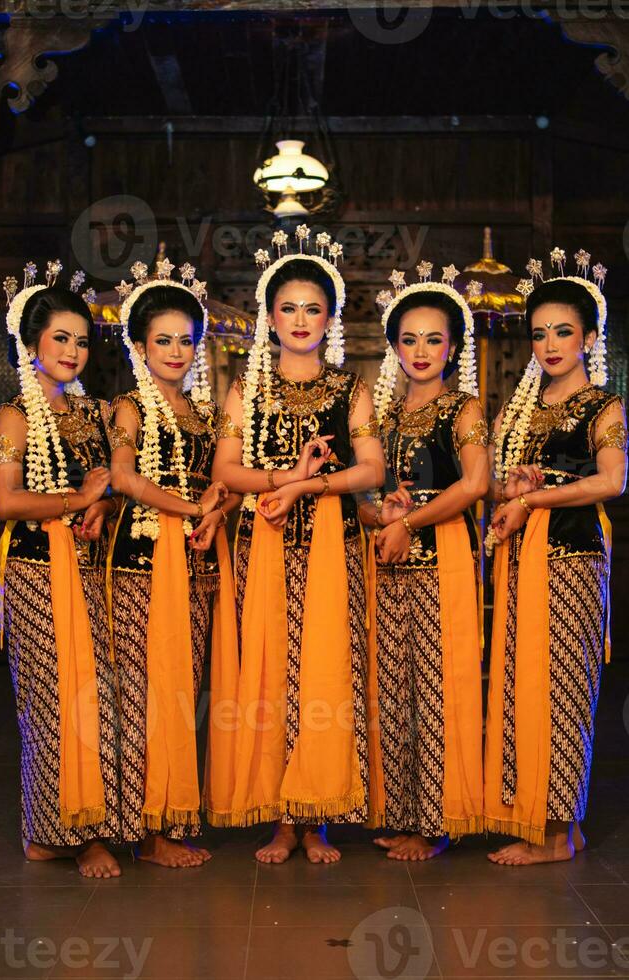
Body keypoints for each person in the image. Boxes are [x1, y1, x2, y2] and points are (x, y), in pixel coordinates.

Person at [208, 226, 385, 864]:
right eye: (289, 308)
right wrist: (287, 478)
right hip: (267, 547)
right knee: (271, 675)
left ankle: (319, 817)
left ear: (330, 317)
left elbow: (373, 469)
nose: (301, 319)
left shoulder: (349, 388)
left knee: (327, 673)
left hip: (333, 548)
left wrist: (313, 486)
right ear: (271, 317)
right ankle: (282, 817)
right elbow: (225, 473)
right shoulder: (247, 390)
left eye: (313, 308)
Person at [484, 249, 627, 865]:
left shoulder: (604, 406)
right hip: (523, 557)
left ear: (590, 337)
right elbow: (494, 486)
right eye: (539, 332)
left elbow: (612, 481)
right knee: (526, 686)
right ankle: (542, 817)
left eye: (563, 331)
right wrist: (515, 486)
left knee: (565, 688)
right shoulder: (525, 412)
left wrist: (536, 496)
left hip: (572, 555)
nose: (549, 343)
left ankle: (560, 833)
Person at [0, 263, 122, 878]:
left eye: (80, 340)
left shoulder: (94, 414)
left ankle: (87, 825)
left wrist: (102, 503)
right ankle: (53, 833)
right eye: (60, 338)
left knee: (96, 701)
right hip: (36, 573)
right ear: (31, 342)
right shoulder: (12, 416)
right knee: (49, 705)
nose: (72, 351)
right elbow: (7, 502)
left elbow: (111, 487)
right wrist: (77, 501)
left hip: (95, 572)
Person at [108, 259, 236, 868]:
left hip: (200, 562)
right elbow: (124, 478)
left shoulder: (205, 414)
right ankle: (142, 827)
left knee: (183, 690)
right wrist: (191, 508)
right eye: (163, 340)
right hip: (142, 559)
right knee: (141, 693)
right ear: (138, 345)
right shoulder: (128, 408)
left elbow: (226, 482)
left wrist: (217, 507)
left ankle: (169, 814)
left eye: (187, 340)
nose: (177, 351)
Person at [361, 263, 487, 861]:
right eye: (409, 339)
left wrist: (409, 521)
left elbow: (476, 484)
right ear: (393, 347)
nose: (421, 350)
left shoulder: (463, 409)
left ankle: (437, 821)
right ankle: (406, 813)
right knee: (395, 689)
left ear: (453, 347)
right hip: (386, 565)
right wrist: (380, 514)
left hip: (444, 560)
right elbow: (361, 495)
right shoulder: (381, 419)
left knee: (438, 685)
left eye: (434, 339)